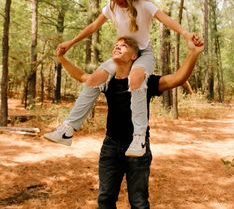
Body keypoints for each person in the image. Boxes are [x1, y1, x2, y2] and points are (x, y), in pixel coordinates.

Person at [44, 0, 199, 156]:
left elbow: (165, 19)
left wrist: (186, 34)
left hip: (143, 53)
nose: (116, 2)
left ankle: (139, 137)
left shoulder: (144, 4)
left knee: (136, 77)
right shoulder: (112, 7)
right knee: (94, 79)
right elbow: (93, 26)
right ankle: (68, 129)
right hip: (123, 52)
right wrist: (71, 42)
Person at [51, 35, 203, 209]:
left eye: (123, 45)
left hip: (138, 147)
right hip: (111, 146)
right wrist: (62, 58)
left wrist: (194, 53)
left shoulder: (146, 81)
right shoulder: (108, 80)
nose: (118, 46)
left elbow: (178, 78)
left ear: (134, 56)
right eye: (116, 45)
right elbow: (83, 77)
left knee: (138, 203)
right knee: (105, 199)